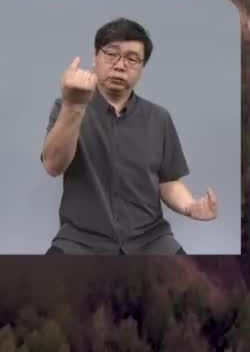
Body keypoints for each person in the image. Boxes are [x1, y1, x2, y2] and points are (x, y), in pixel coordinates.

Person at [38, 17, 218, 254]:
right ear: (95, 56)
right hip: (80, 241)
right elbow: (53, 166)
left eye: (132, 59)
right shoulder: (66, 106)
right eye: (111, 54)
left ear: (142, 67)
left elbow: (168, 180)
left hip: (151, 239)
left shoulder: (159, 118)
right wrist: (74, 106)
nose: (120, 65)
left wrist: (190, 206)